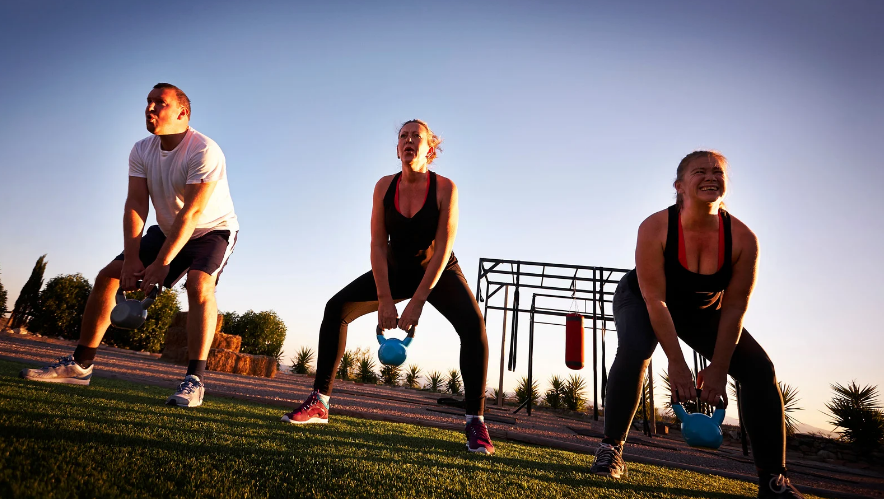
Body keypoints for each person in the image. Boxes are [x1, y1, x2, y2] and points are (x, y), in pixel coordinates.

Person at [589, 151, 803, 498]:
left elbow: (734, 308)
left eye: (717, 172)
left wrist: (718, 368)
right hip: (644, 300)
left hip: (704, 310)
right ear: (680, 186)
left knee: (760, 371)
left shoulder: (744, 239)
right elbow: (655, 300)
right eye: (699, 171)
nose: (710, 176)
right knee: (635, 349)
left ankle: (774, 481)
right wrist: (676, 362)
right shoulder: (656, 226)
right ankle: (611, 449)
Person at [281, 119, 494, 455]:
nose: (409, 141)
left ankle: (476, 423)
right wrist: (384, 299)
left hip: (437, 270)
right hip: (395, 269)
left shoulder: (445, 188)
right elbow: (378, 245)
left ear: (430, 149)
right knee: (336, 309)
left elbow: (442, 249)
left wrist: (417, 303)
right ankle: (320, 402)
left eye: (416, 137)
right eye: (403, 137)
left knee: (474, 327)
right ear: (397, 148)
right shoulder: (383, 186)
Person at [20, 83, 239, 409]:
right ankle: (80, 366)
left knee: (199, 284)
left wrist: (162, 262)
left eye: (159, 103)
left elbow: (192, 213)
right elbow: (136, 204)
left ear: (182, 112)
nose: (150, 108)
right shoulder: (141, 150)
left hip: (211, 231)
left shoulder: (204, 150)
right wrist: (133, 258)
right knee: (108, 275)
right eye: (148, 102)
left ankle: (195, 382)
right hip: (167, 229)